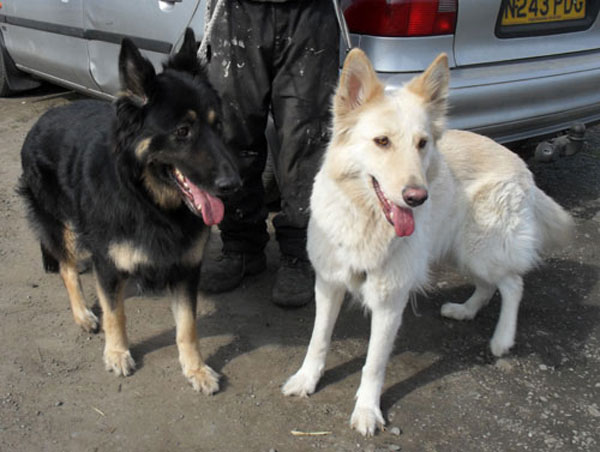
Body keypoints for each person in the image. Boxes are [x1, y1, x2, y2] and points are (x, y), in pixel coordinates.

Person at [200, 0, 340, 307]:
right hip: (237, 10)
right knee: (231, 133)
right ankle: (241, 246)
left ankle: (300, 253)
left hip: (310, 15)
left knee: (305, 139)